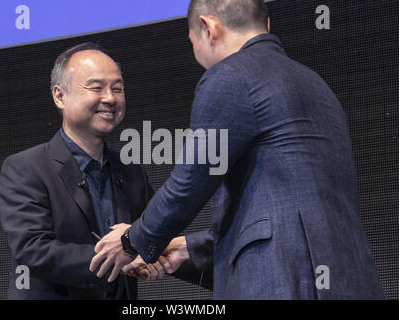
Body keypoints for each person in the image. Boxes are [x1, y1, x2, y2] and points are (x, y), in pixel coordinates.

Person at [90, 0, 385, 299]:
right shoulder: (318, 86)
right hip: (352, 280)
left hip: (286, 282)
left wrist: (130, 240)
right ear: (266, 26)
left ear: (208, 28)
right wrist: (183, 247)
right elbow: (279, 212)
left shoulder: (229, 76)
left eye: (193, 43)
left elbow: (188, 184)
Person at [0, 43, 169, 299]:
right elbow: (33, 249)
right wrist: (122, 255)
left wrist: (151, 255)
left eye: (118, 89)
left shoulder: (132, 174)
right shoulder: (25, 167)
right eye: (96, 87)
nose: (110, 98)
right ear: (59, 96)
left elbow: (156, 232)